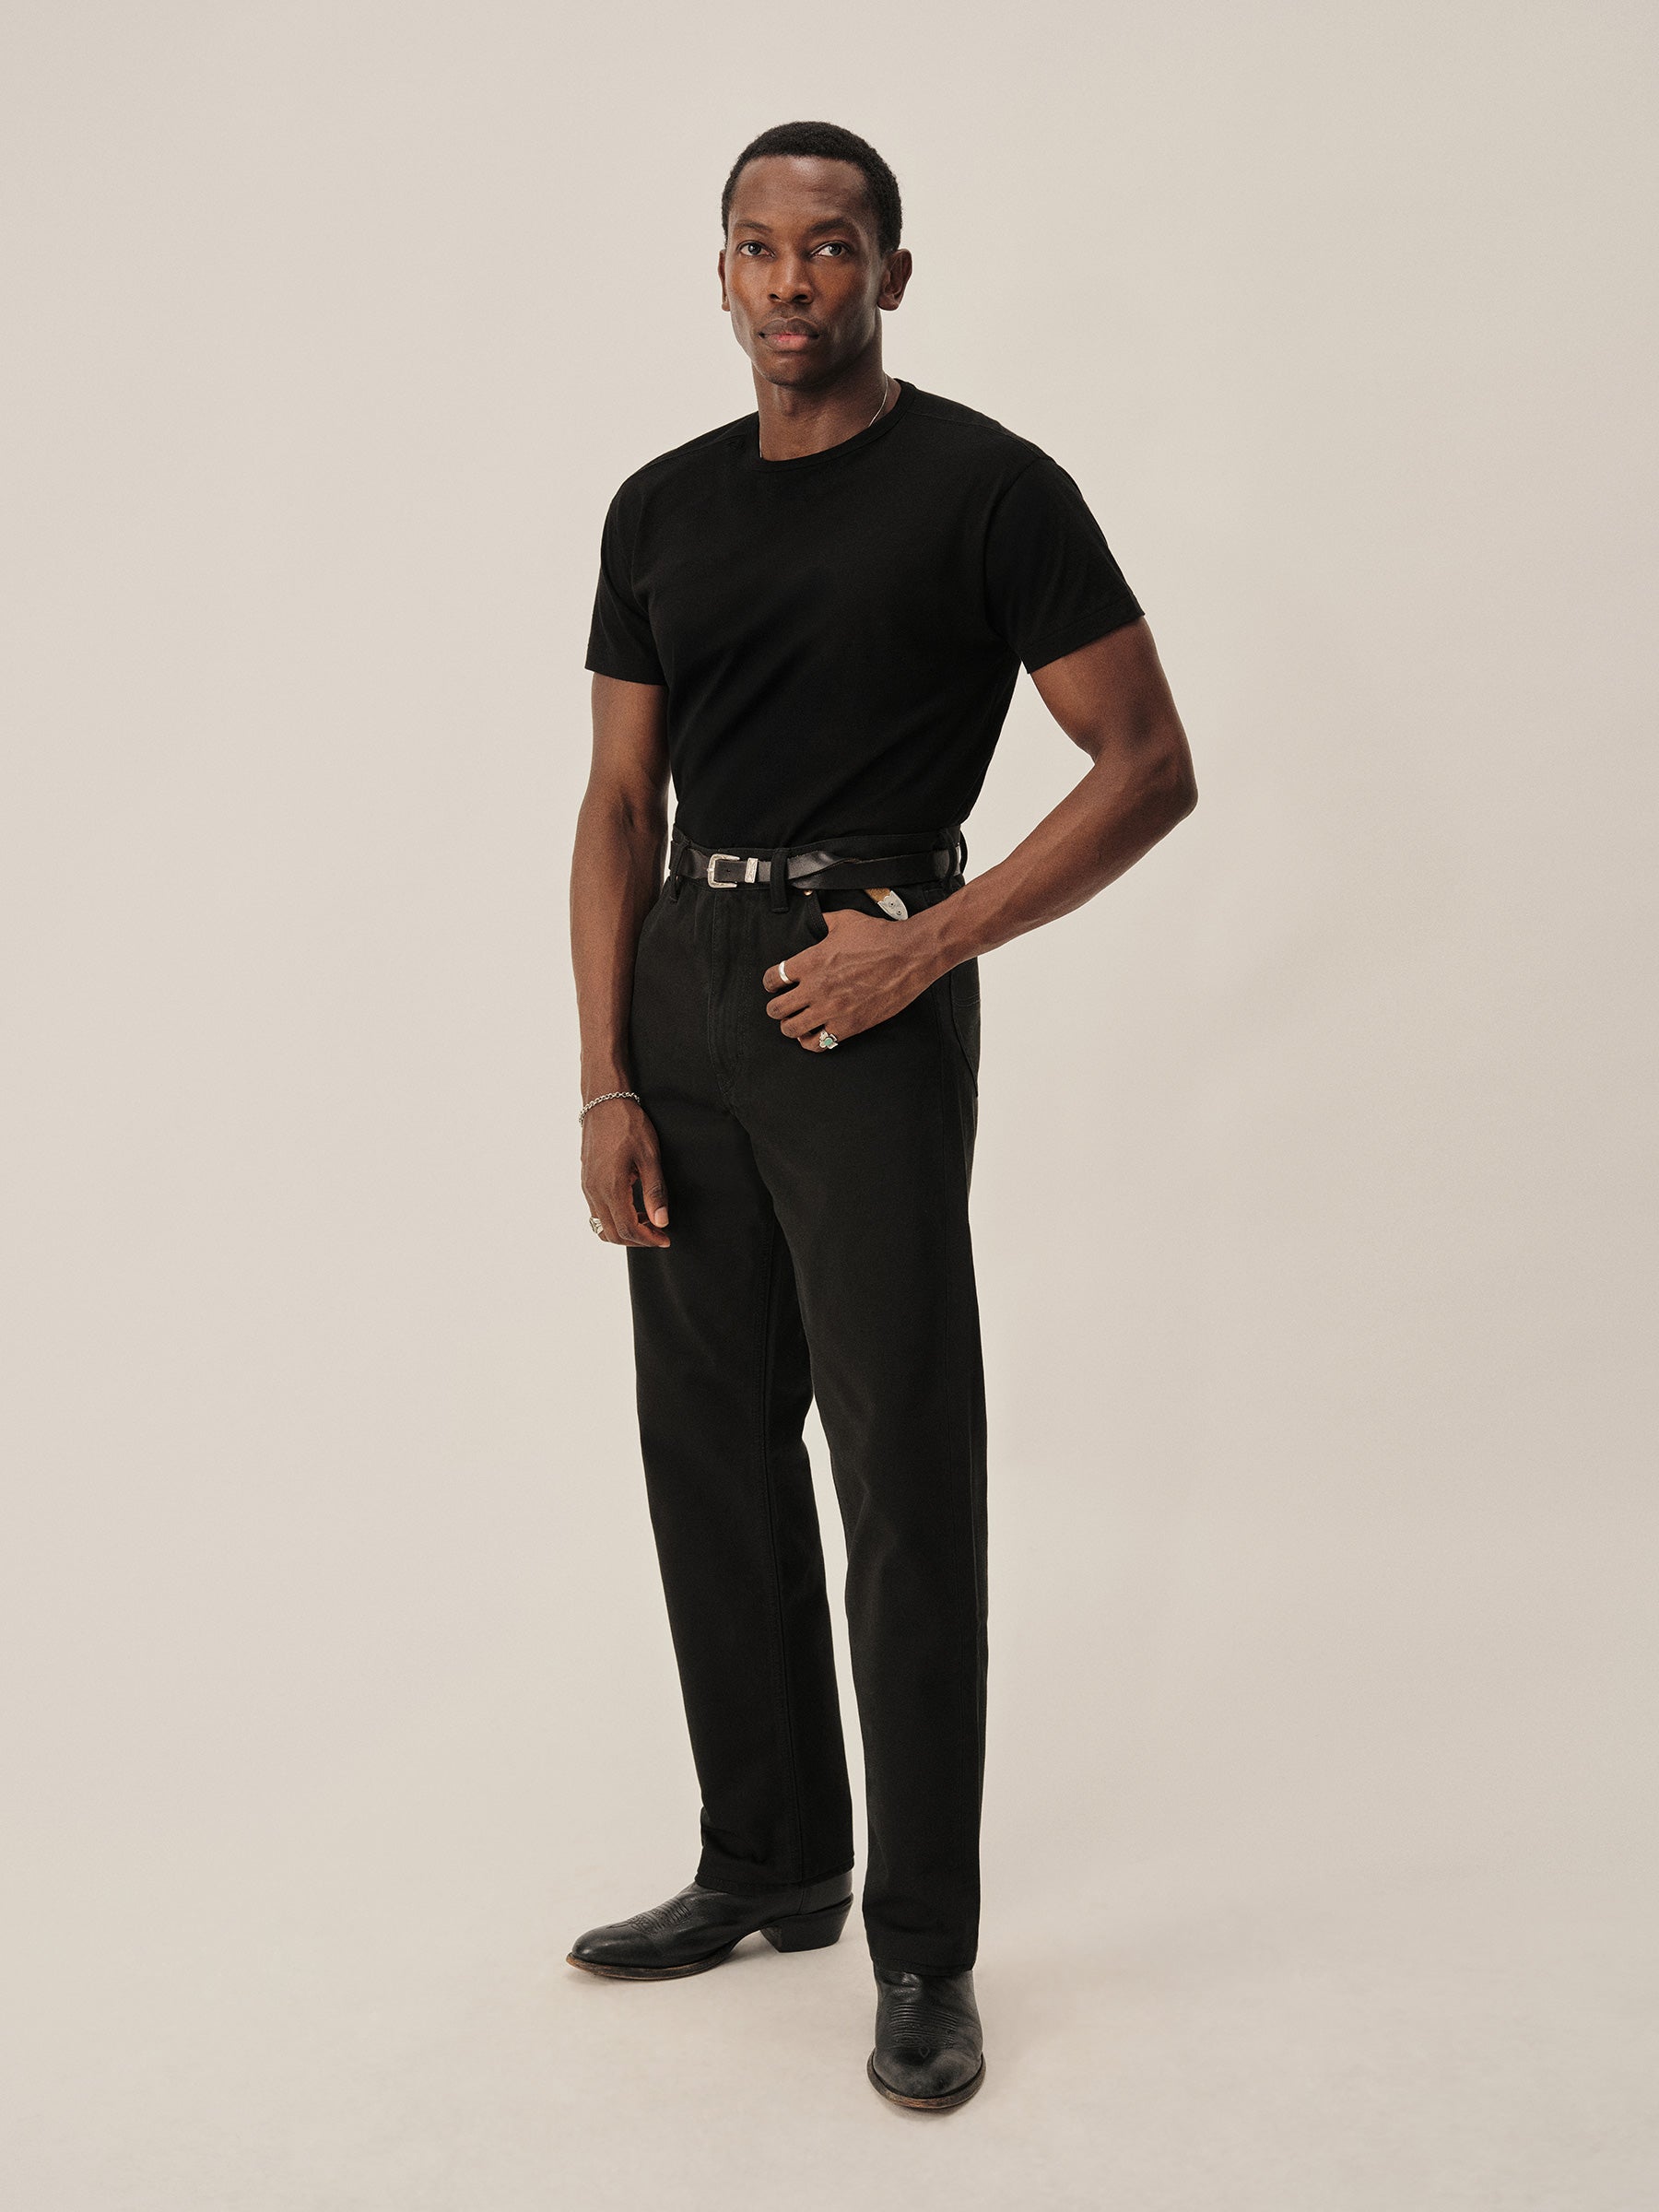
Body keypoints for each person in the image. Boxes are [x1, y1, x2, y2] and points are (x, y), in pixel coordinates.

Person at [566, 118, 1196, 2112]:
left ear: (891, 276)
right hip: (683, 991)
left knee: (903, 1477)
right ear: (720, 273)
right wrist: (603, 1076)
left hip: (870, 990)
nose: (791, 280)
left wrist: (924, 947)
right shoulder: (660, 506)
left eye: (831, 248)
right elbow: (617, 803)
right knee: (709, 1451)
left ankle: (925, 1951)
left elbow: (1147, 764)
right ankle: (767, 1860)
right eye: (757, 247)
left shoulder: (990, 489)